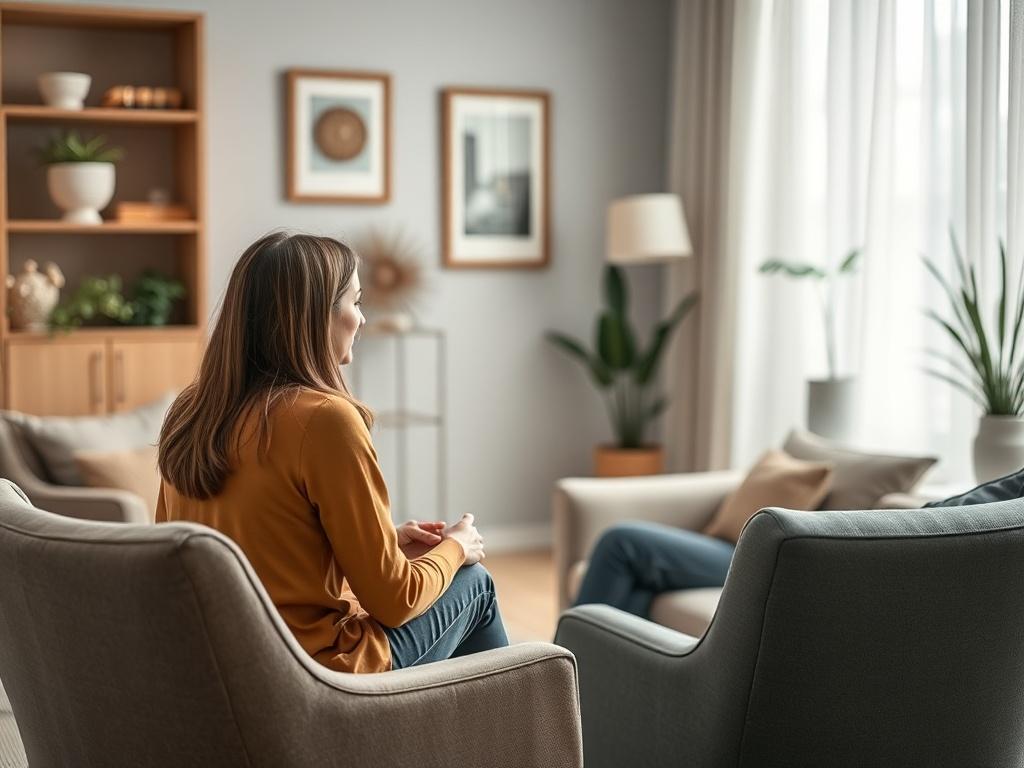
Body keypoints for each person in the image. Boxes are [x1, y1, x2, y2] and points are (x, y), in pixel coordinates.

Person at [156, 231, 508, 673]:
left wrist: (367, 542)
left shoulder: (191, 412)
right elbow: (394, 601)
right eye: (356, 302)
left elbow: (199, 559)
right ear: (313, 316)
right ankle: (520, 738)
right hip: (318, 675)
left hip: (224, 669)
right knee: (474, 583)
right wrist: (456, 547)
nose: (361, 320)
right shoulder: (325, 419)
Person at [573, 522, 734, 619]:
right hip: (720, 543)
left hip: (744, 550)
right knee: (634, 590)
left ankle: (560, 666)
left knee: (620, 543)